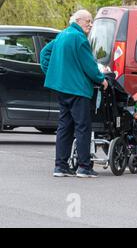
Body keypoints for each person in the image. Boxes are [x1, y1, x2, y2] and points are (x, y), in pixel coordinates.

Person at [40, 10, 108, 178]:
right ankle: (84, 167)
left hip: (62, 89)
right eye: (88, 21)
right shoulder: (79, 39)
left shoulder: (63, 35)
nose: (91, 24)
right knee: (83, 127)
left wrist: (54, 74)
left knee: (65, 127)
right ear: (78, 20)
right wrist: (102, 79)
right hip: (78, 90)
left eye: (91, 21)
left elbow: (44, 54)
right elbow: (90, 66)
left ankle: (60, 166)